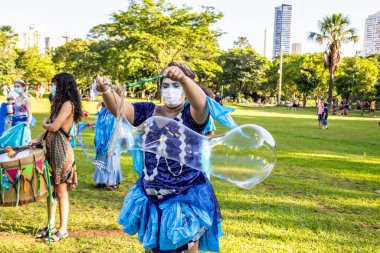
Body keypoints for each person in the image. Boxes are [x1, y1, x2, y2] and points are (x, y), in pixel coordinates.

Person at [96, 62, 223, 253]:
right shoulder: (148, 111)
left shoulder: (192, 115)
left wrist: (183, 78)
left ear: (186, 89)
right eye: (166, 85)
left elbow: (201, 103)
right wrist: (105, 90)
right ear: (160, 88)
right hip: (152, 196)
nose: (170, 90)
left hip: (184, 198)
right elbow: (120, 109)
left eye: (176, 86)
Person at [31, 73, 82, 242]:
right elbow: (49, 130)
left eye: (55, 85)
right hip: (52, 149)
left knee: (61, 192)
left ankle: (63, 229)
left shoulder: (68, 104)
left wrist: (45, 124)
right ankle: (51, 225)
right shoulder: (58, 103)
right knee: (52, 191)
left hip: (61, 151)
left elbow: (53, 127)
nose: (53, 88)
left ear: (63, 86)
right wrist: (38, 138)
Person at [90, 86, 123, 191]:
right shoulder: (106, 110)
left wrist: (112, 144)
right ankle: (101, 181)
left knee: (112, 160)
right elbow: (101, 120)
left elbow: (116, 128)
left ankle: (114, 182)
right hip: (102, 141)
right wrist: (90, 123)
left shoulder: (117, 111)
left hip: (113, 140)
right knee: (101, 159)